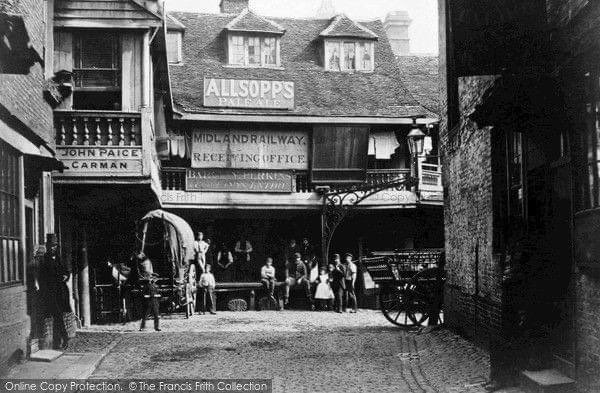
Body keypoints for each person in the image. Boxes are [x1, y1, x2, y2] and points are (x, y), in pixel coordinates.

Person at [38, 234, 71, 349]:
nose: (53, 248)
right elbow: (41, 278)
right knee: (57, 315)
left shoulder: (59, 258)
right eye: (51, 246)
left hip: (61, 292)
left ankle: (57, 342)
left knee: (59, 316)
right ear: (47, 246)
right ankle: (65, 338)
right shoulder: (44, 260)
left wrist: (66, 276)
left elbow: (67, 271)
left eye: (55, 245)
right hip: (50, 293)